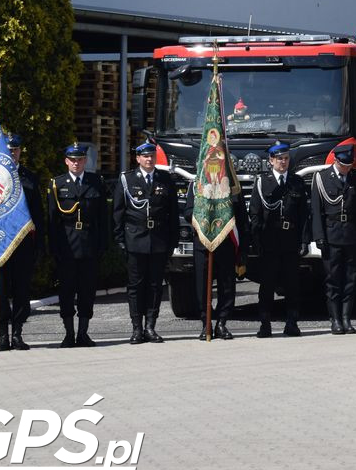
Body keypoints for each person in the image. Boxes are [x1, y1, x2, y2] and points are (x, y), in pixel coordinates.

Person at [113, 140, 179, 344]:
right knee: (135, 286)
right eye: (145, 156)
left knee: (155, 285)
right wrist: (120, 240)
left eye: (152, 156)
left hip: (158, 240)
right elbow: (118, 213)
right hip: (135, 240)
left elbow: (173, 214)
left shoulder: (165, 179)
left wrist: (173, 241)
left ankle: (151, 326)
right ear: (138, 158)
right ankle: (136, 328)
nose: (149, 159)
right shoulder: (127, 180)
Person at [48, 142, 108, 347]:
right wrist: (54, 248)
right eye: (72, 160)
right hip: (66, 247)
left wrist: (102, 246)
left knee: (87, 291)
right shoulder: (57, 184)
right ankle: (68, 334)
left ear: (85, 161)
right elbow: (52, 220)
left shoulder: (95, 182)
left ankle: (83, 333)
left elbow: (103, 218)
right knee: (66, 291)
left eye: (80, 160)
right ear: (66, 161)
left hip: (89, 245)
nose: (76, 163)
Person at [249, 141, 310, 337]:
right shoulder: (262, 182)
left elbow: (303, 215)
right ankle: (265, 324)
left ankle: (292, 323)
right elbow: (255, 213)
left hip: (290, 240)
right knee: (267, 285)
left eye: (286, 159)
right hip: (270, 241)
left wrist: (304, 240)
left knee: (292, 284)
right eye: (279, 159)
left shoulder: (296, 182)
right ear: (271, 160)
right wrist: (256, 240)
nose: (283, 162)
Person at [311, 144, 356, 335]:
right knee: (333, 280)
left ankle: (346, 318)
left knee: (351, 280)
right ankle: (335, 319)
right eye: (344, 164)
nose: (347, 168)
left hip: (352, 235)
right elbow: (317, 211)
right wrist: (319, 236)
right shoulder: (322, 178)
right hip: (331, 235)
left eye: (350, 164)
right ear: (336, 160)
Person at [0, 134, 44, 350]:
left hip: (23, 243)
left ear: (20, 151)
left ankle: (17, 333)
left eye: (15, 150)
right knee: (1, 290)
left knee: (21, 290)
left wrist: (40, 244)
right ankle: (2, 334)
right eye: (8, 150)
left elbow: (38, 215)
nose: (12, 153)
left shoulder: (29, 178)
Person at [187, 180, 248, 340]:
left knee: (227, 285)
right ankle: (205, 323)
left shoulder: (233, 187)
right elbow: (188, 212)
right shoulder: (196, 185)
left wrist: (243, 248)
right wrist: (205, 212)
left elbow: (241, 217)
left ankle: (221, 323)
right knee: (202, 284)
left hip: (226, 243)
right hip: (203, 243)